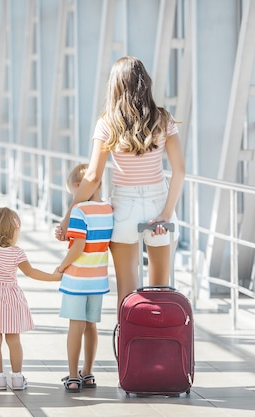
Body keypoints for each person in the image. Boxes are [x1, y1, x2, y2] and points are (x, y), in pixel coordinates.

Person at [57, 56, 185, 312]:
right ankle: (156, 349)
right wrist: (165, 214)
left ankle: (129, 350)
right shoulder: (163, 120)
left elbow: (92, 176)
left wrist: (69, 215)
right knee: (160, 291)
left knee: (126, 294)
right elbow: (180, 171)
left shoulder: (107, 123)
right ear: (145, 83)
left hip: (124, 211)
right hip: (159, 205)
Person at [0, 197, 62, 391]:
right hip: (11, 298)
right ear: (13, 229)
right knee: (14, 340)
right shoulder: (17, 253)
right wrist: (54, 277)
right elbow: (31, 273)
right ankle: (17, 378)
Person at [56, 163, 113, 393]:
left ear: (79, 187)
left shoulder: (80, 210)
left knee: (75, 326)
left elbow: (78, 246)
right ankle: (88, 373)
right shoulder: (108, 209)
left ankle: (72, 376)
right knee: (91, 326)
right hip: (98, 279)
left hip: (77, 279)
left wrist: (62, 266)